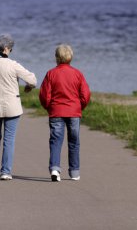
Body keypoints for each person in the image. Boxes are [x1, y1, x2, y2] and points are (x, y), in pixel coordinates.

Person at [0, 34, 37, 180]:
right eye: (11, 49)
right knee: (9, 139)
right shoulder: (13, 64)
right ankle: (6, 172)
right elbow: (33, 80)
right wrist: (29, 87)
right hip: (13, 106)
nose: (10, 51)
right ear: (5, 49)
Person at [39, 44, 90, 182]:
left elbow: (44, 95)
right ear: (70, 57)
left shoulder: (51, 73)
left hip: (56, 111)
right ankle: (74, 172)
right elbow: (85, 94)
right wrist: (80, 106)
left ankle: (55, 169)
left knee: (56, 141)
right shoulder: (77, 73)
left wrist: (48, 107)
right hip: (74, 112)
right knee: (74, 142)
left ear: (57, 58)